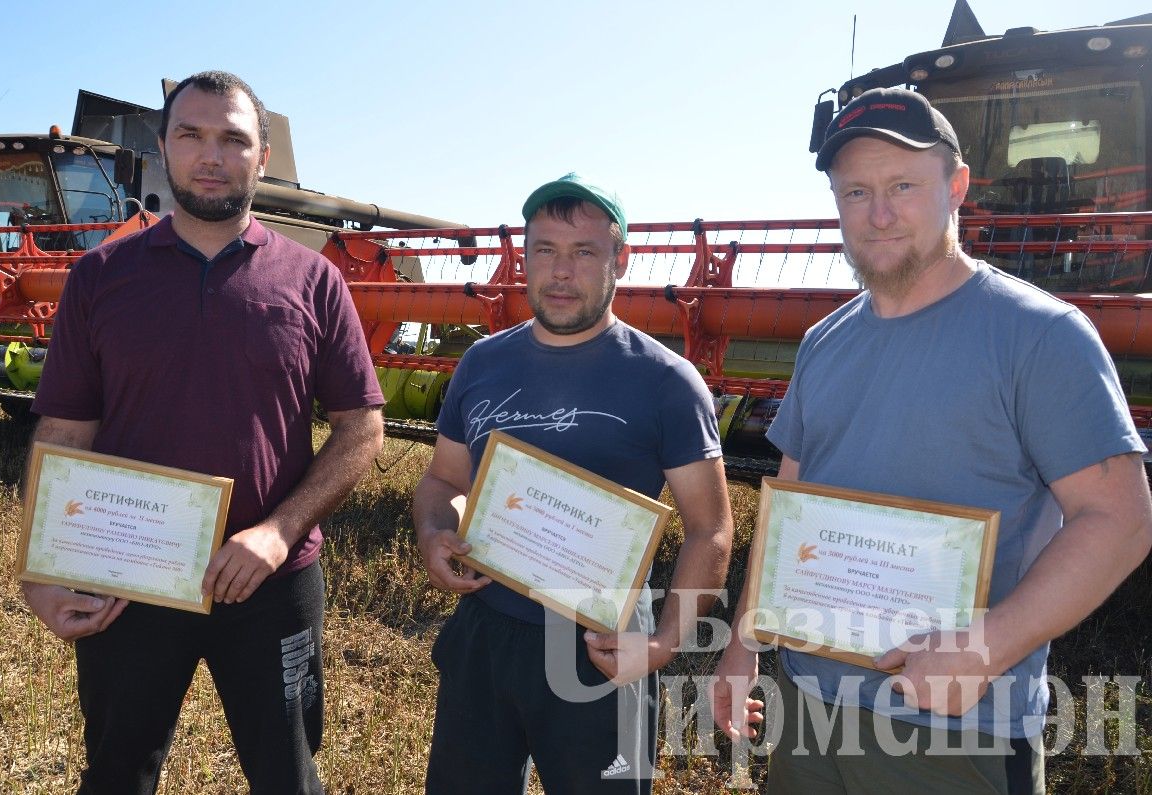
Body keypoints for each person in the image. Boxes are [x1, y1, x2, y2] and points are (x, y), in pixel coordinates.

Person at [711, 87, 1152, 794]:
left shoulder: (1039, 335)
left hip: (954, 732)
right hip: (809, 712)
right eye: (855, 191)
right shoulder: (824, 343)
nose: (878, 213)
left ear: (957, 188)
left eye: (902, 186)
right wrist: (742, 645)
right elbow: (789, 508)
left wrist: (985, 648)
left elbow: (1121, 519)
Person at [21, 70, 385, 794]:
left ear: (264, 154)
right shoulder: (100, 277)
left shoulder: (314, 282)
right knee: (118, 772)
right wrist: (38, 566)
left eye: (232, 139)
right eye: (190, 135)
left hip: (272, 581)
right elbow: (63, 431)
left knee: (288, 774)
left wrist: (278, 531)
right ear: (163, 146)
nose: (210, 155)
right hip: (129, 576)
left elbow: (362, 429)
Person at [413, 174, 734, 794]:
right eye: (544, 250)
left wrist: (664, 643)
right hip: (486, 629)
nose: (560, 272)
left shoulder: (667, 381)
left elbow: (710, 528)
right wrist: (435, 533)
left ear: (621, 259)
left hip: (601, 645)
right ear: (524, 257)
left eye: (584, 252)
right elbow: (443, 480)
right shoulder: (482, 364)